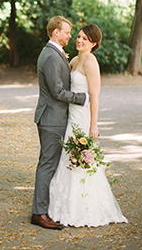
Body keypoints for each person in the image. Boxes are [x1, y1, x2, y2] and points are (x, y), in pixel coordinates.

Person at [48, 24, 128, 227]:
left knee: (81, 160)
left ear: (93, 43)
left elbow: (94, 97)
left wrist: (94, 125)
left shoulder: (91, 63)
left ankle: (81, 208)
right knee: (67, 158)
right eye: (78, 36)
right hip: (69, 116)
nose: (79, 40)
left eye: (85, 38)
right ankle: (62, 205)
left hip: (82, 118)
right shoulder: (74, 60)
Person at [31, 16, 87, 230]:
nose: (70, 35)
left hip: (53, 117)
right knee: (47, 165)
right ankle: (39, 213)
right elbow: (57, 92)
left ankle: (44, 208)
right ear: (56, 32)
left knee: (48, 164)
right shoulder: (52, 56)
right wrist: (81, 98)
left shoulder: (54, 53)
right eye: (67, 32)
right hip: (51, 119)